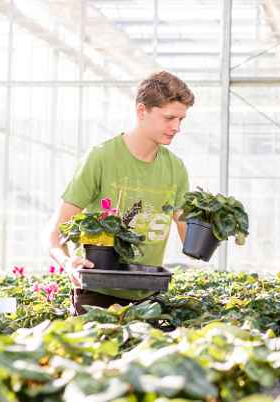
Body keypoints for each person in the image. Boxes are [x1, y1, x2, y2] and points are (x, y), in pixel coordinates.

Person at [46, 71, 194, 315]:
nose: (176, 127)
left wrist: (214, 224)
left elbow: (190, 237)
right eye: (169, 118)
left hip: (149, 296)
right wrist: (67, 262)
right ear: (141, 111)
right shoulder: (101, 158)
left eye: (181, 119)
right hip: (96, 295)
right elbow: (54, 232)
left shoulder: (175, 168)